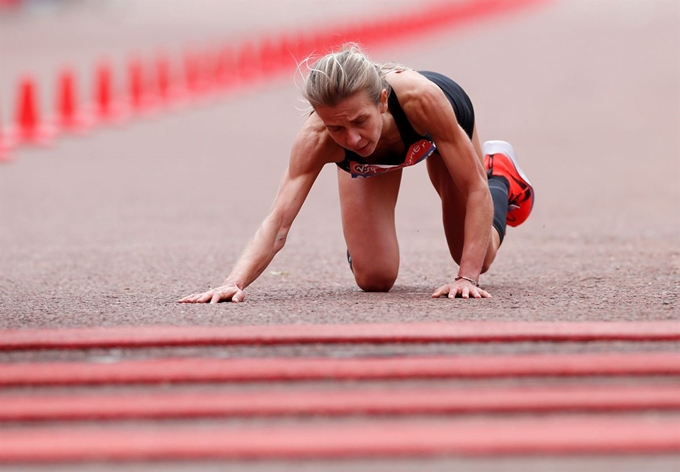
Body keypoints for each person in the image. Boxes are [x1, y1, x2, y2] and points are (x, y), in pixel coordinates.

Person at [179, 43, 534, 304]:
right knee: (375, 278)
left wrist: (465, 277)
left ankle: (499, 173)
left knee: (478, 256)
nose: (352, 138)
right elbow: (278, 221)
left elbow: (473, 190)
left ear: (381, 101)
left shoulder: (423, 100)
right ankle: (364, 238)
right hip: (378, 160)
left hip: (435, 134)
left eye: (359, 121)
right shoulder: (317, 138)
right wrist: (234, 281)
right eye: (337, 128)